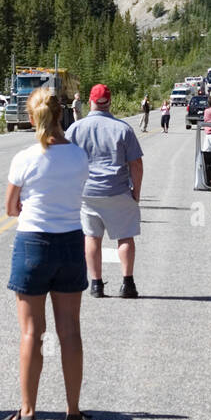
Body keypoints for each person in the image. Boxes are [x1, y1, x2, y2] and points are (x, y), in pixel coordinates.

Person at [2, 89, 90, 420]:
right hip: (70, 242)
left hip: (33, 245)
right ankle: (72, 413)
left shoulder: (24, 157)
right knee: (69, 331)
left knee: (31, 333)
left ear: (31, 118)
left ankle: (27, 414)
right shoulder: (79, 156)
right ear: (62, 116)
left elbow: (11, 208)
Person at [68, 84, 143, 299]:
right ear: (109, 102)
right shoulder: (123, 129)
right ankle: (128, 283)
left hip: (88, 192)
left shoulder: (76, 129)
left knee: (91, 237)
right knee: (125, 237)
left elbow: (67, 160)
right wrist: (136, 192)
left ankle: (96, 284)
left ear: (90, 102)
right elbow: (136, 164)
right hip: (118, 190)